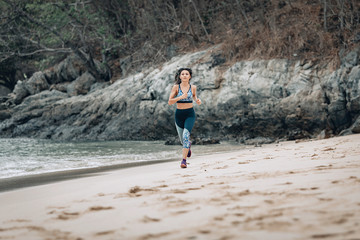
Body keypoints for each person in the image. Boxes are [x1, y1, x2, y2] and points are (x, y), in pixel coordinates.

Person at [168, 68, 201, 168]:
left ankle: (183, 161)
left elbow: (194, 96)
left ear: (190, 76)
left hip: (189, 114)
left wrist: (197, 100)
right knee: (183, 141)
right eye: (183, 74)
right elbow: (170, 102)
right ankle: (188, 146)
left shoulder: (193, 87)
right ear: (180, 76)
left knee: (186, 136)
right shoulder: (176, 88)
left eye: (187, 74)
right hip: (179, 115)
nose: (185, 75)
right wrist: (180, 97)